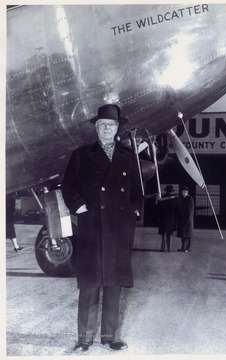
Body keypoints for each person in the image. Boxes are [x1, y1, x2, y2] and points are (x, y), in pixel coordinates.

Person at [61, 104, 143, 352]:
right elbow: (69, 187)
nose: (107, 129)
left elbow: (138, 191)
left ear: (118, 129)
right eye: (103, 125)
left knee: (113, 285)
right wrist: (80, 208)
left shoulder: (128, 158)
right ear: (97, 129)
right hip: (92, 228)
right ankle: (84, 338)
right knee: (89, 285)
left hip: (118, 229)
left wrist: (135, 211)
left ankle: (110, 336)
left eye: (112, 125)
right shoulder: (81, 155)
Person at [156, 185, 178, 252]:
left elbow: (158, 208)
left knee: (163, 234)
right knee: (169, 234)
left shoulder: (162, 198)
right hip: (171, 218)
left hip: (163, 218)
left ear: (166, 190)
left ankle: (163, 248)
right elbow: (177, 209)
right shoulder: (175, 199)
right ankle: (169, 248)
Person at [177, 186, 194, 253]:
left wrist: (189, 219)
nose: (181, 193)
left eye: (182, 191)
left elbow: (190, 210)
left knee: (188, 235)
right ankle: (183, 247)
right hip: (182, 219)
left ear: (185, 192)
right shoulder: (183, 199)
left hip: (187, 220)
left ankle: (187, 248)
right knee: (183, 234)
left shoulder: (189, 198)